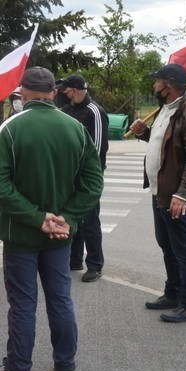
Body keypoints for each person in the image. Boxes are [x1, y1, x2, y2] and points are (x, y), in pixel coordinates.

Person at [0, 67, 103, 371]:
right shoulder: (75, 128)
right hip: (59, 237)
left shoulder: (11, 129)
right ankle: (65, 368)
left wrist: (37, 219)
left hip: (21, 236)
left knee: (22, 305)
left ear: (22, 92)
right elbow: (93, 182)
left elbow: (0, 185)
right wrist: (67, 218)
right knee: (61, 300)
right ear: (53, 92)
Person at [129, 63, 186, 323]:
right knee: (167, 244)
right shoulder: (166, 108)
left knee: (185, 249)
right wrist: (145, 134)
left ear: (168, 84)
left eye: (157, 81)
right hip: (161, 190)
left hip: (177, 194)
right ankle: (173, 293)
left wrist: (183, 195)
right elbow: (166, 144)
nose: (153, 84)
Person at [56, 74, 108, 282]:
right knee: (72, 216)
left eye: (66, 91)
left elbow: (96, 150)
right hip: (71, 175)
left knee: (89, 220)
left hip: (87, 178)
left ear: (76, 90)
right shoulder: (69, 110)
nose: (64, 94)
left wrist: (81, 173)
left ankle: (95, 264)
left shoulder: (94, 112)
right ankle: (74, 259)